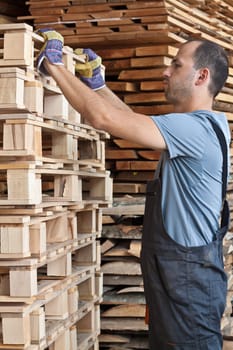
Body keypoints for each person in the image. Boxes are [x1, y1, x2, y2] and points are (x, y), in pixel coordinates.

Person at [37, 29, 230, 349]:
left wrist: (55, 66)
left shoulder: (193, 129)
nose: (165, 71)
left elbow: (103, 118)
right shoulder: (203, 127)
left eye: (177, 65)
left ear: (201, 75)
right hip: (183, 287)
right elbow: (128, 120)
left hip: (187, 293)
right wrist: (98, 86)